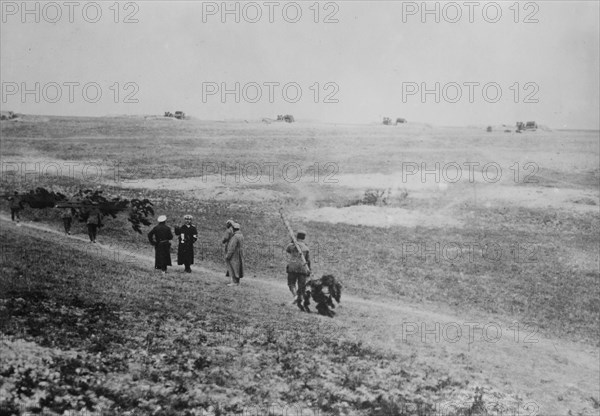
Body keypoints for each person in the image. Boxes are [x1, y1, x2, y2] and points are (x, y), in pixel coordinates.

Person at [286, 231, 311, 311]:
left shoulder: (291, 245)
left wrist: (292, 241)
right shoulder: (306, 248)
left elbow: (288, 250)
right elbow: (308, 260)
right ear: (304, 238)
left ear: (297, 237)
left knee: (291, 283)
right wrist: (309, 270)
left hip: (292, 267)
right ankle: (301, 299)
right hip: (303, 268)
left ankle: (295, 296)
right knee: (301, 286)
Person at [225, 222, 244, 286]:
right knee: (238, 268)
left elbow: (232, 247)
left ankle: (234, 282)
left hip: (234, 254)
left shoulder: (235, 236)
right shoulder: (241, 235)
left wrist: (228, 255)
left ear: (234, 228)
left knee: (233, 267)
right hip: (239, 254)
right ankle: (237, 281)